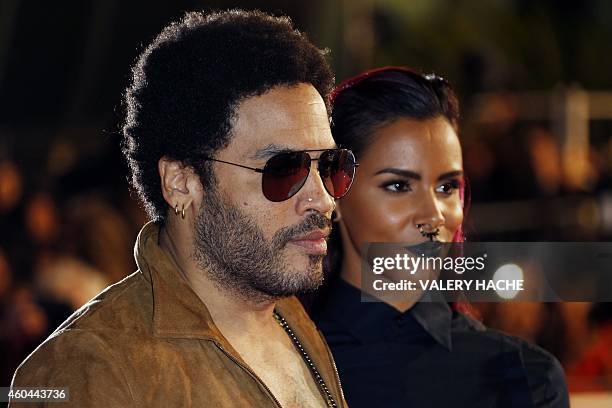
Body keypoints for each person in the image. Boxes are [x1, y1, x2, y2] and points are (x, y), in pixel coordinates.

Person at [10, 10, 358, 407]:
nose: (323, 198)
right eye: (283, 169)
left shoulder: (288, 315)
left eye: (330, 166)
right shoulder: (87, 368)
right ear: (181, 183)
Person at [310, 66, 569, 408]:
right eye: (399, 186)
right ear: (335, 192)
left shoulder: (523, 377)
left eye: (447, 187)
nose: (433, 216)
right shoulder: (280, 364)